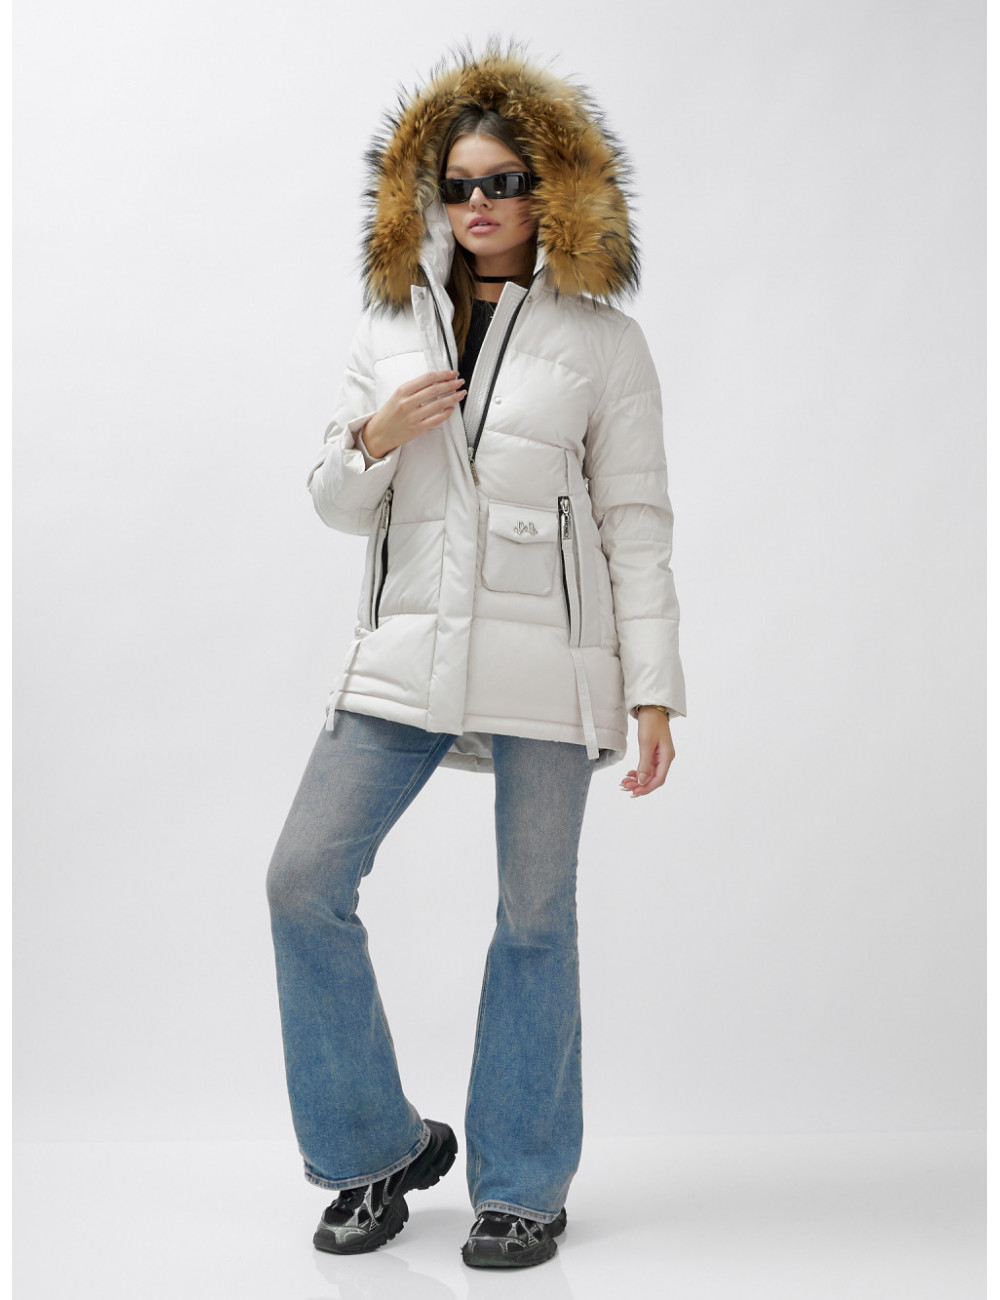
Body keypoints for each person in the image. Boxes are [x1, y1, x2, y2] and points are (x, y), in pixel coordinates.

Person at [266, 37, 686, 1271]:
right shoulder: (389, 329)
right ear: (428, 197)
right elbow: (332, 501)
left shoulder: (604, 344)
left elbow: (636, 522)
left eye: (504, 181)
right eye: (458, 186)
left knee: (535, 917)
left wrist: (654, 689)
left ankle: (522, 1184)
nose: (481, 204)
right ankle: (374, 1148)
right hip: (405, 652)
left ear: (551, 190)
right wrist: (374, 433)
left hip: (553, 662)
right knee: (301, 880)